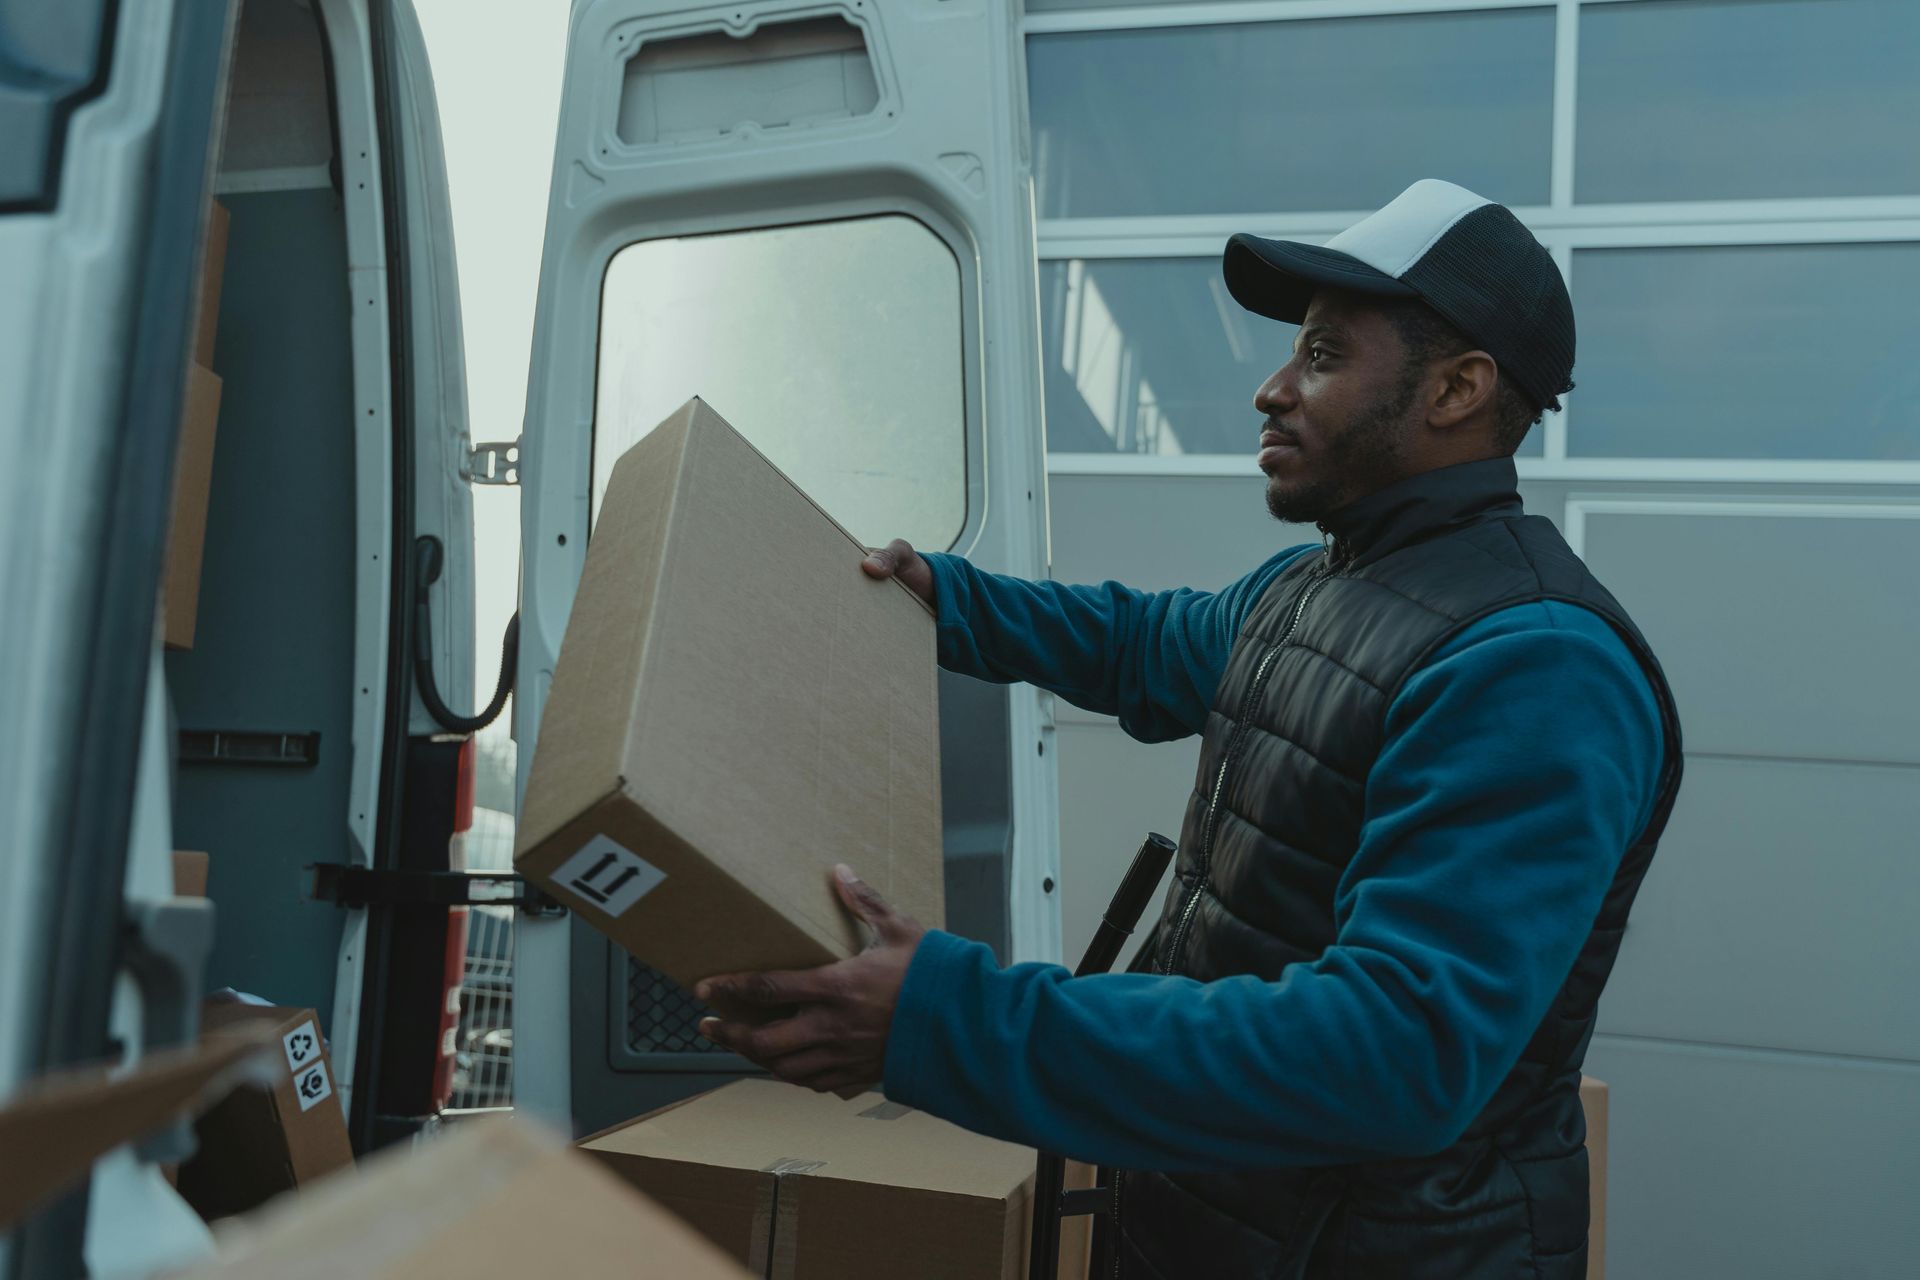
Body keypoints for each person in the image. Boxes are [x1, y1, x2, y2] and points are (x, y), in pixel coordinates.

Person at [697, 178, 1684, 1278]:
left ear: (1457, 389)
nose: (1272, 388)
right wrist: (949, 597)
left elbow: (1390, 1054)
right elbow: (1141, 643)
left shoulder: (1533, 664)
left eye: (1321, 355)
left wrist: (951, 1018)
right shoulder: (1313, 587)